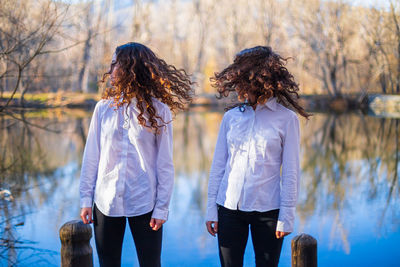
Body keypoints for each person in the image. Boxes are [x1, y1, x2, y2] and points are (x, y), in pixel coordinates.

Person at [79, 42, 193, 267]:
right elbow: (91, 158)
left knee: (150, 263)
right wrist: (85, 198)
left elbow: (165, 165)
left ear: (131, 69)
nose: (110, 71)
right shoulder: (103, 109)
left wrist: (162, 207)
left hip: (145, 202)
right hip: (106, 202)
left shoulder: (159, 111)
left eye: (115, 64)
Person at [205, 46, 310, 267]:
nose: (239, 87)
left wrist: (287, 216)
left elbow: (291, 171)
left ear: (260, 79)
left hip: (268, 212)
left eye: (243, 79)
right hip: (228, 209)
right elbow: (218, 166)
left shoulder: (287, 119)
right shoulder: (231, 117)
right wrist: (211, 209)